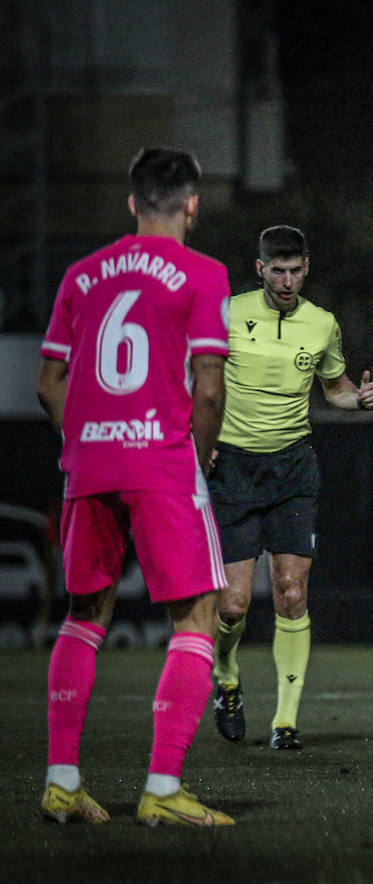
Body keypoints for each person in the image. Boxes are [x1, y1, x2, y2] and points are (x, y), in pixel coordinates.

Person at [36, 146, 235, 826]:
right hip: (161, 460)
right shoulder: (203, 274)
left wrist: (86, 442)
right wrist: (198, 458)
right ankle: (162, 789)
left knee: (84, 615)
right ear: (192, 205)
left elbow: (48, 384)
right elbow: (208, 389)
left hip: (88, 465)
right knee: (197, 616)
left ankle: (62, 782)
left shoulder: (82, 274)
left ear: (131, 203)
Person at [209, 224, 373, 750]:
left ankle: (285, 722)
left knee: (291, 593)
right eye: (276, 270)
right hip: (234, 468)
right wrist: (201, 434)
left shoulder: (322, 324)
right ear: (259, 268)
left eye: (295, 270)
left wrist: (363, 396)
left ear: (306, 268)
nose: (286, 280)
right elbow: (193, 376)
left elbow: (335, 388)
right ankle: (227, 678)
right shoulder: (227, 314)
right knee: (234, 605)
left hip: (293, 467)